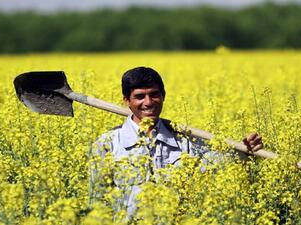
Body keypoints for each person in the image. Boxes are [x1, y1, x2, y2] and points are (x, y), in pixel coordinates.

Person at [90, 66, 263, 215]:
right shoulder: (108, 144)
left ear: (163, 96)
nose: (148, 102)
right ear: (127, 100)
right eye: (140, 96)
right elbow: (97, 202)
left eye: (154, 94)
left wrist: (246, 148)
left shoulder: (185, 141)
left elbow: (222, 161)